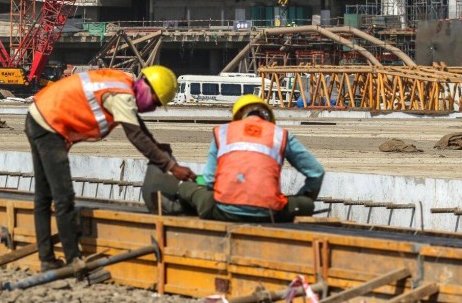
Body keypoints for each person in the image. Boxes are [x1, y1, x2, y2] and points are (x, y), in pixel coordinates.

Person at [25, 66, 195, 271]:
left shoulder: (123, 85)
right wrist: (171, 166)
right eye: (156, 103)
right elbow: (136, 135)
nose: (153, 108)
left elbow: (138, 126)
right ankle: (73, 260)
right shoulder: (122, 96)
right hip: (49, 124)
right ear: (150, 89)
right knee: (63, 196)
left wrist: (158, 148)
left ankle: (47, 259)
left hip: (39, 116)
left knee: (44, 195)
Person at [176, 94, 324, 223]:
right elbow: (317, 173)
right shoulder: (280, 135)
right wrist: (304, 196)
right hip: (269, 213)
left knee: (185, 188)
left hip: (224, 212)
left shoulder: (223, 132)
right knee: (306, 204)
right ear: (268, 117)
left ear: (237, 117)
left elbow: (209, 179)